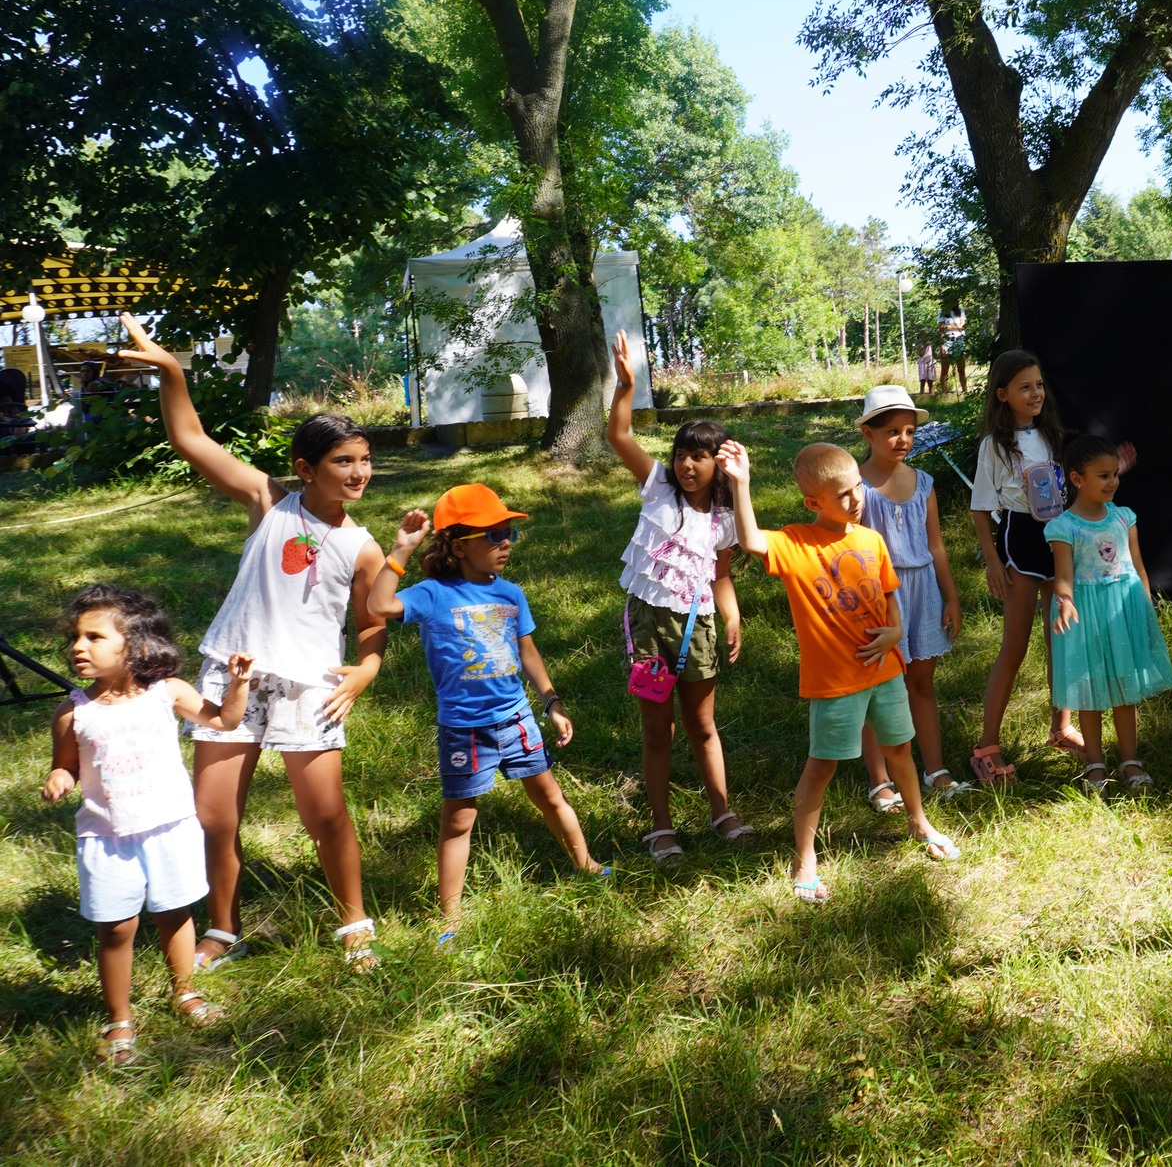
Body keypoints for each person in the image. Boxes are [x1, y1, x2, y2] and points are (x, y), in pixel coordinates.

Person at [116, 313, 386, 973]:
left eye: (364, 460)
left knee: (325, 816)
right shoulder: (270, 500)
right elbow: (190, 439)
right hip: (233, 673)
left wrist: (366, 669)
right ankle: (222, 927)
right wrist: (172, 371)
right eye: (343, 461)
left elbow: (372, 622)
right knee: (214, 818)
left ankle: (354, 923)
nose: (359, 472)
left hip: (309, 686)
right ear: (305, 469)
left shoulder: (363, 546)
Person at [720, 439, 960, 902]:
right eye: (843, 495)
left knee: (900, 751)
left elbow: (889, 594)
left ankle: (919, 822)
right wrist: (741, 483)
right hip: (835, 683)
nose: (856, 500)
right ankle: (805, 858)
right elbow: (750, 541)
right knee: (821, 768)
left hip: (885, 672)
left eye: (858, 489)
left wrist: (895, 631)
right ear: (813, 503)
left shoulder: (870, 539)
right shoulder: (796, 543)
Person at [367, 488, 608, 943]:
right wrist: (400, 551)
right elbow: (378, 607)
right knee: (459, 821)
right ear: (459, 546)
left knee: (551, 797)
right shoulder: (432, 594)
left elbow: (528, 652)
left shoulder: (510, 593)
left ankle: (587, 864)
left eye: (509, 532)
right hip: (464, 730)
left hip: (516, 719)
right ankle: (450, 917)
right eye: (494, 535)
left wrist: (551, 702)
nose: (507, 542)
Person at [42, 586, 253, 1066]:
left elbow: (224, 721)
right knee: (117, 929)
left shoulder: (167, 692)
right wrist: (59, 778)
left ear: (136, 644)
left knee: (175, 912)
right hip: (106, 836)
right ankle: (119, 1018)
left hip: (169, 828)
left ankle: (185, 991)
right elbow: (66, 765)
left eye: (94, 637)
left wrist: (238, 684)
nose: (79, 646)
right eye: (76, 637)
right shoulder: (73, 712)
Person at [603, 332, 751, 858]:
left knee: (702, 725)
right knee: (657, 730)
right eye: (681, 455)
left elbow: (721, 575)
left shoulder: (726, 518)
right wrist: (626, 385)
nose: (687, 465)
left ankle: (722, 811)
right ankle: (661, 826)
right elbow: (619, 434)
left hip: (699, 625)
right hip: (649, 626)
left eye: (699, 457)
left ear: (718, 463)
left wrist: (731, 617)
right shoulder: (658, 487)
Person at [851, 385, 968, 807]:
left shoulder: (923, 483)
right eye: (892, 432)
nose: (902, 439)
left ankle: (935, 768)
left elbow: (936, 545)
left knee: (921, 682)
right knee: (880, 687)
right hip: (879, 595)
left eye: (909, 431)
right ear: (868, 434)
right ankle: (880, 779)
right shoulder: (855, 486)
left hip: (923, 593)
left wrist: (951, 597)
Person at [1046, 435, 1172, 793]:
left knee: (1124, 687)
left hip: (1123, 609)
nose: (1113, 482)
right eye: (1103, 475)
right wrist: (1065, 600)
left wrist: (1146, 603)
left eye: (1115, 474)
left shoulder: (1123, 517)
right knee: (1089, 687)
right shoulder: (1064, 527)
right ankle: (1095, 762)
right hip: (1087, 613)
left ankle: (1130, 760)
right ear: (1077, 479)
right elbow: (1063, 575)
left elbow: (1138, 565)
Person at [967, 350, 1074, 781]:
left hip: (1057, 538)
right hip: (1020, 542)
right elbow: (980, 508)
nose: (1036, 394)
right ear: (1002, 394)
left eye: (1040, 385)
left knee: (1060, 640)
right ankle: (986, 746)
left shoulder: (1053, 436)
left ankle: (1061, 727)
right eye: (1025, 387)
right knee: (1015, 645)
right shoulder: (994, 445)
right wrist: (993, 561)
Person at [937, 308, 970, 394]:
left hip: (959, 342)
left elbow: (962, 326)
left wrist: (947, 326)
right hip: (946, 342)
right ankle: (944, 392)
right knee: (945, 370)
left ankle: (965, 391)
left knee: (961, 369)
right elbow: (940, 328)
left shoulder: (961, 311)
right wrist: (941, 345)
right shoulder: (942, 312)